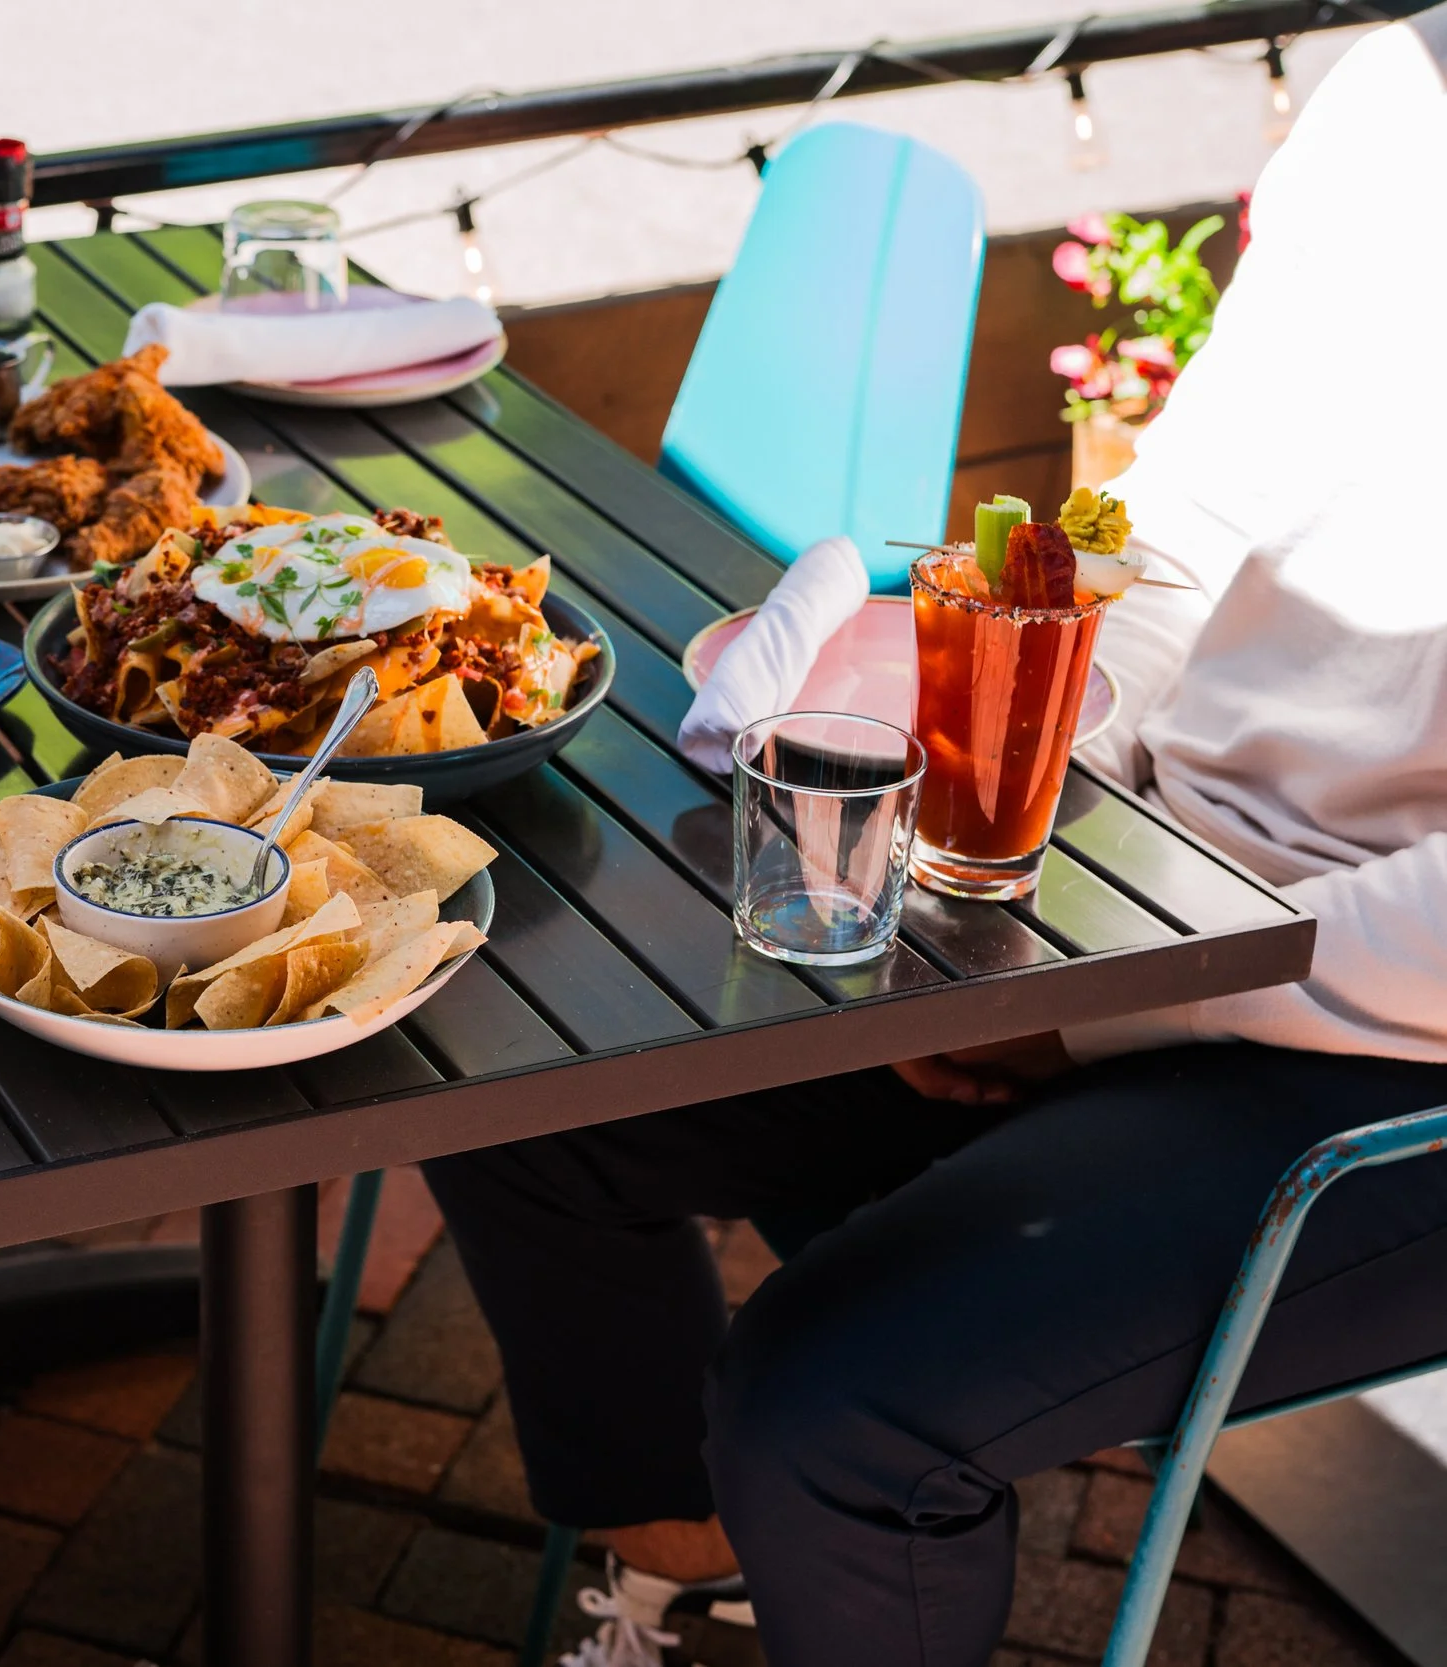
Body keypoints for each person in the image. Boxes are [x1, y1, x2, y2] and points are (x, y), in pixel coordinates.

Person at [423, 10, 1447, 1666]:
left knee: (838, 1412)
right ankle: (700, 1579)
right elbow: (1174, 529)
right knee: (513, 1043)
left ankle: (800, 1532)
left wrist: (1098, 1001)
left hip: (1389, 1062)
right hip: (1177, 912)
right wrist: (1003, 793)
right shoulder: (1403, 92)